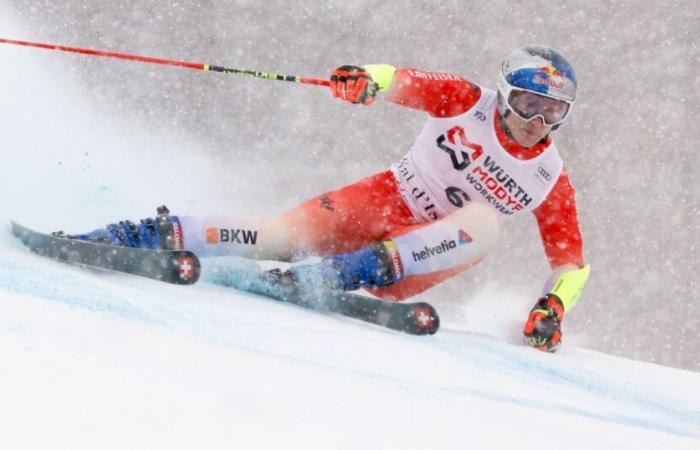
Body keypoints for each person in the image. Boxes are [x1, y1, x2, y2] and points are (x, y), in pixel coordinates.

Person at [68, 45, 590, 352]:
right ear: (504, 95)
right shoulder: (465, 101)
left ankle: (341, 275)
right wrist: (366, 81)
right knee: (275, 237)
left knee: (485, 224)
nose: (536, 122)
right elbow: (401, 80)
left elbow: (572, 264)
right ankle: (143, 234)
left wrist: (553, 306)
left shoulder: (549, 176)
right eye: (527, 103)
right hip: (383, 200)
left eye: (553, 112)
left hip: (413, 258)